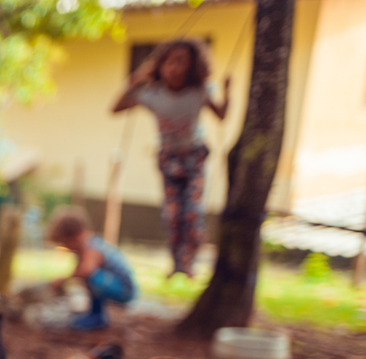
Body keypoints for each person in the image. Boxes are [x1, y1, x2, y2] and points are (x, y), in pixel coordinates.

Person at [112, 39, 230, 278]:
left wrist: (228, 92)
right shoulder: (153, 94)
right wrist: (134, 79)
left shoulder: (199, 92)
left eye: (181, 61)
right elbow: (116, 108)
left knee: (192, 212)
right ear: (159, 65)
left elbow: (221, 114)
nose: (173, 68)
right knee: (172, 214)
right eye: (168, 61)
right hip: (168, 158)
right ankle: (177, 263)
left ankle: (189, 261)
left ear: (193, 67)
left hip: (194, 156)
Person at [47, 206, 137, 331]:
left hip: (124, 291)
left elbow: (86, 270)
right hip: (115, 284)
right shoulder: (86, 248)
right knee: (90, 277)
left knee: (92, 276)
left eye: (66, 244)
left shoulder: (92, 248)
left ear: (77, 235)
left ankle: (97, 316)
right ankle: (94, 312)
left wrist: (63, 281)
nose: (67, 248)